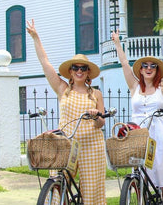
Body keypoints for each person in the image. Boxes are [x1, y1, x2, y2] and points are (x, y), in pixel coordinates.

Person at [27, 19, 107, 204]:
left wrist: (96, 116)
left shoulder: (96, 94)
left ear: (88, 73)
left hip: (91, 145)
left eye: (83, 68)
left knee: (92, 191)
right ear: (70, 71)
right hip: (65, 143)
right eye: (75, 68)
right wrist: (36, 38)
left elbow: (101, 123)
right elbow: (45, 63)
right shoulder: (62, 88)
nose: (79, 71)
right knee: (58, 185)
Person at [111, 30, 163, 205]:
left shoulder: (162, 87)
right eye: (145, 66)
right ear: (141, 70)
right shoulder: (134, 86)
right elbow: (124, 64)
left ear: (157, 70)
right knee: (141, 172)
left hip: (159, 133)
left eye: (153, 66)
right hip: (138, 134)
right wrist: (117, 44)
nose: (149, 68)